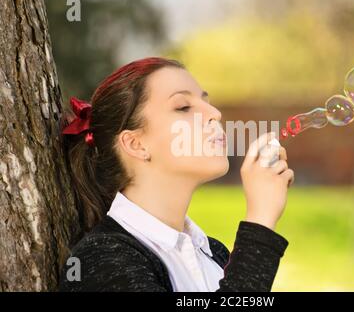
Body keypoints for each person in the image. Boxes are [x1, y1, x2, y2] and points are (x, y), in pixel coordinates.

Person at [59, 57, 294, 292]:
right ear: (135, 144)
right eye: (183, 107)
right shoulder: (102, 260)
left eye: (206, 101)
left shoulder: (213, 253)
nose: (214, 113)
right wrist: (260, 221)